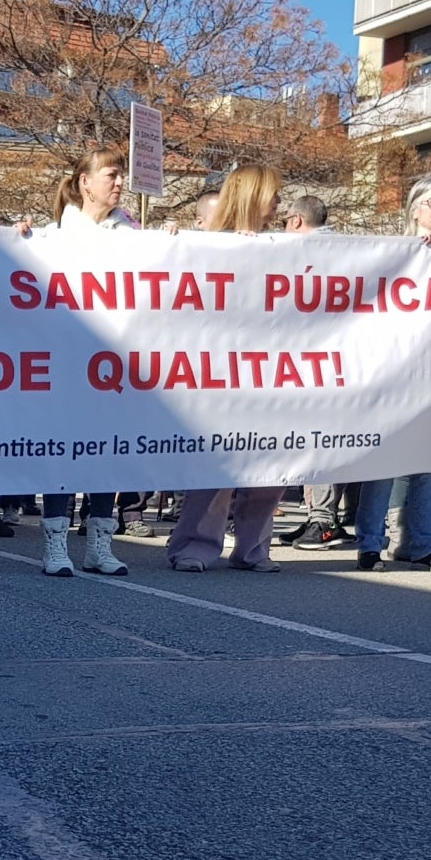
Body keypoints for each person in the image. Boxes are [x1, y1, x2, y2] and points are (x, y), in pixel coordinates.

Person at [15, 145, 133, 575]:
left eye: (121, 176)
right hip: (66, 365)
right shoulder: (52, 237)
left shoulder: (134, 237)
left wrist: (176, 240)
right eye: (112, 175)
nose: (120, 183)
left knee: (107, 453)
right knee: (63, 452)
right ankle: (55, 544)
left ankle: (99, 545)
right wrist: (17, 237)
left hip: (113, 366)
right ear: (86, 182)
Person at [167, 165, 287, 573]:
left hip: (272, 371)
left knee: (273, 465)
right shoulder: (206, 246)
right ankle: (195, 546)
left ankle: (253, 548)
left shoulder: (285, 247)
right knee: (217, 466)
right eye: (273, 195)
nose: (279, 205)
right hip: (218, 370)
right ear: (253, 197)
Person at [356, 175, 431, 573]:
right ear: (415, 207)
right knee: (384, 464)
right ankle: (370, 543)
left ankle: (422, 543)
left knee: (429, 462)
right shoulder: (396, 253)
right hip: (395, 374)